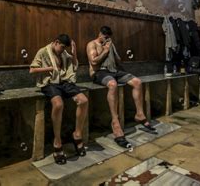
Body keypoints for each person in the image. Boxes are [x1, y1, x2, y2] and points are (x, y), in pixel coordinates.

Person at [86, 26, 156, 149]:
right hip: (99, 73)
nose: (106, 39)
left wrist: (113, 51)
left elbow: (118, 61)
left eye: (108, 37)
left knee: (137, 82)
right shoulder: (92, 44)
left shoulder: (110, 45)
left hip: (113, 71)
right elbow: (94, 62)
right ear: (100, 34)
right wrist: (106, 50)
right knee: (113, 85)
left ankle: (139, 114)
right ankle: (115, 121)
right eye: (105, 37)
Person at [30, 34, 88, 165]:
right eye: (61, 47)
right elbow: (32, 70)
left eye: (64, 48)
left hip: (64, 82)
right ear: (56, 42)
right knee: (58, 104)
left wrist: (73, 52)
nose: (63, 50)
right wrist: (51, 68)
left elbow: (74, 65)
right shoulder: (43, 51)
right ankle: (57, 141)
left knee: (83, 100)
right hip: (49, 83)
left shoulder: (64, 53)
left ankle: (77, 134)